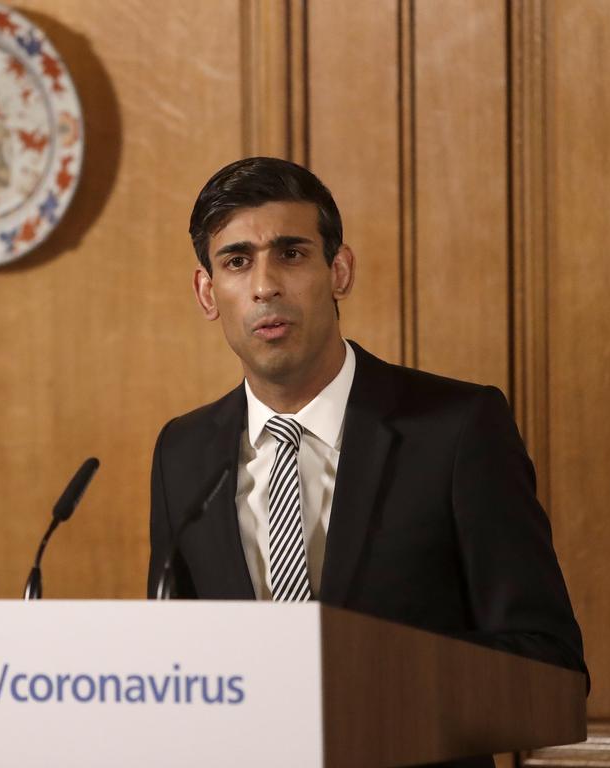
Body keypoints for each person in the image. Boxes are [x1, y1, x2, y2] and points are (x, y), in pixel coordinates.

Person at [147, 157, 586, 767]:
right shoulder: (182, 452)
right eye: (238, 261)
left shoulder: (457, 428)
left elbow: (549, 665)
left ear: (340, 270)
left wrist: (366, 684)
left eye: (292, 254)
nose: (265, 285)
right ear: (207, 291)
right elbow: (173, 669)